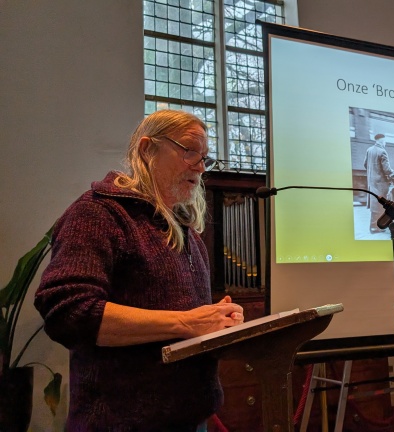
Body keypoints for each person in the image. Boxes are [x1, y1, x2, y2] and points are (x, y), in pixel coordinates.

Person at [35, 110, 245, 431]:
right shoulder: (99, 213)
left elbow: (179, 323)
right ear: (148, 149)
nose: (201, 167)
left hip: (191, 418)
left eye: (205, 158)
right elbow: (68, 313)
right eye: (190, 151)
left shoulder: (186, 232)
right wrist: (188, 322)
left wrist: (215, 320)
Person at [363, 133, 394, 233]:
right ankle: (378, 227)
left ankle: (373, 227)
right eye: (385, 141)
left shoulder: (369, 150)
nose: (385, 143)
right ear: (382, 141)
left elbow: (365, 165)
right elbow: (387, 170)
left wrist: (373, 172)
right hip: (381, 183)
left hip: (371, 182)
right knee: (382, 204)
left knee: (374, 204)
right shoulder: (382, 151)